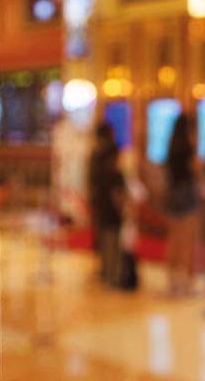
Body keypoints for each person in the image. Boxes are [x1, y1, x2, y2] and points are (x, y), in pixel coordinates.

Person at [164, 114, 199, 296]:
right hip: (186, 194)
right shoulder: (188, 148)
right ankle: (186, 282)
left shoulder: (171, 148)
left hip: (173, 193)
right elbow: (196, 170)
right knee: (187, 240)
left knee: (174, 239)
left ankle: (171, 280)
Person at [89, 122, 126, 287]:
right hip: (111, 209)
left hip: (99, 204)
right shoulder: (115, 173)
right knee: (112, 241)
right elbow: (117, 193)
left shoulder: (95, 157)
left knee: (104, 239)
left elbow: (91, 181)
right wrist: (123, 208)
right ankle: (112, 274)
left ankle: (106, 271)